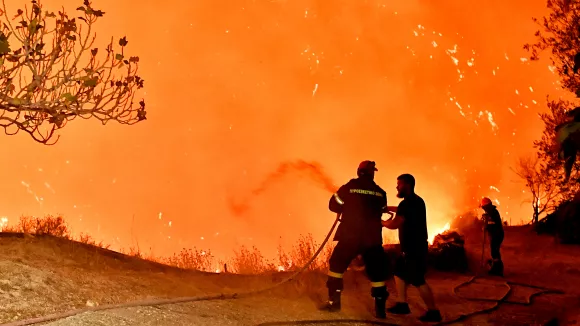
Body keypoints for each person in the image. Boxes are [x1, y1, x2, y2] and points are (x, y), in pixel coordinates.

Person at [321, 160, 390, 319]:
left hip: (349, 236)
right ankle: (380, 311)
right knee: (377, 274)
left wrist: (346, 207)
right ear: (372, 173)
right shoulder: (380, 192)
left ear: (359, 172)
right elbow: (382, 210)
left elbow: (333, 205)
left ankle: (334, 303)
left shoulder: (349, 187)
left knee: (336, 267)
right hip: (372, 239)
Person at [382, 174, 442, 323]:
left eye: (399, 184)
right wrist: (387, 208)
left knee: (418, 280)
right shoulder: (416, 201)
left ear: (407, 185)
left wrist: (381, 222)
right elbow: (402, 210)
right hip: (414, 247)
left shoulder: (407, 204)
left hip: (414, 249)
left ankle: (434, 312)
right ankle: (402, 304)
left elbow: (395, 223)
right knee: (399, 271)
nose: (397, 187)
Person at [480, 197, 504, 276]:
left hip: (497, 234)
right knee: (495, 251)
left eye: (483, 207)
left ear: (486, 206)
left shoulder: (492, 213)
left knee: (494, 251)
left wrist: (486, 226)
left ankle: (497, 269)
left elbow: (493, 224)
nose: (483, 209)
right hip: (496, 234)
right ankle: (497, 267)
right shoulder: (491, 212)